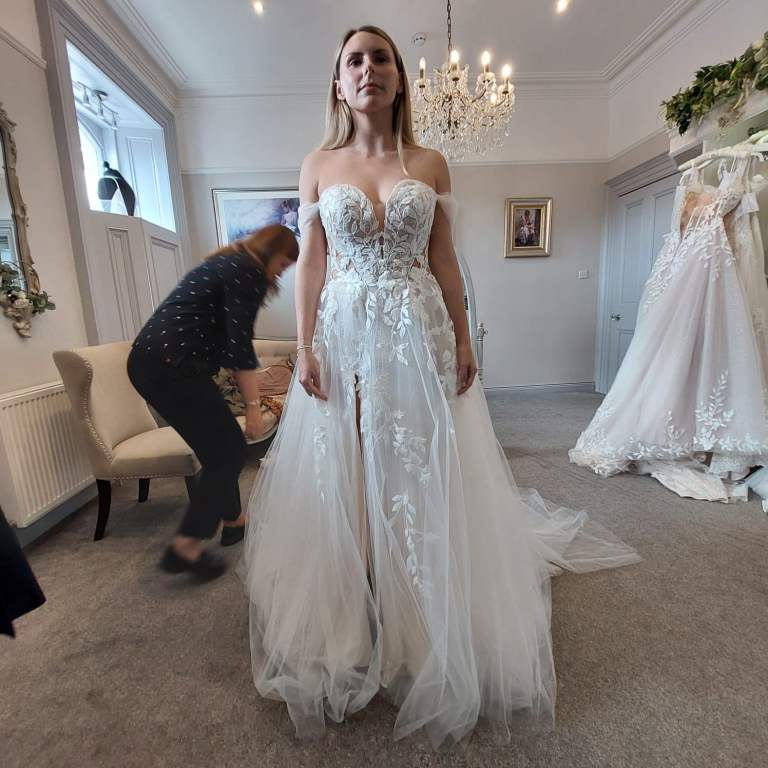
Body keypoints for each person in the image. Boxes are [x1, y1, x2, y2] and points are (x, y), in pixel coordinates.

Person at [243, 26, 640, 748]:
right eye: (355, 60)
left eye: (381, 58)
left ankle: (420, 610)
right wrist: (303, 347)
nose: (368, 68)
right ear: (339, 83)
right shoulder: (317, 164)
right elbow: (311, 265)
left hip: (415, 327)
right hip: (343, 330)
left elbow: (446, 260)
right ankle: (351, 605)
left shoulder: (430, 161)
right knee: (345, 463)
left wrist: (463, 337)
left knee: (418, 459)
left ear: (400, 78)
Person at [127, 225, 298, 581]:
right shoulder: (247, 271)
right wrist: (253, 407)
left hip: (153, 363)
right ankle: (186, 547)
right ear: (271, 251)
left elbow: (225, 343)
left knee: (218, 449)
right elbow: (240, 347)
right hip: (171, 366)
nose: (283, 272)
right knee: (230, 452)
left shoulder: (227, 263)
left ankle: (234, 521)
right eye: (284, 263)